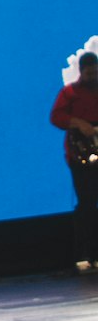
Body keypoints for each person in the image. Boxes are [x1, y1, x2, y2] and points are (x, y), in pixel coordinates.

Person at [50, 50, 98, 272]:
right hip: (81, 156)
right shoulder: (70, 93)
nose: (92, 76)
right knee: (87, 204)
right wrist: (78, 123)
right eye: (89, 73)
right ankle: (89, 253)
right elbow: (56, 117)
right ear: (81, 72)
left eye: (95, 72)